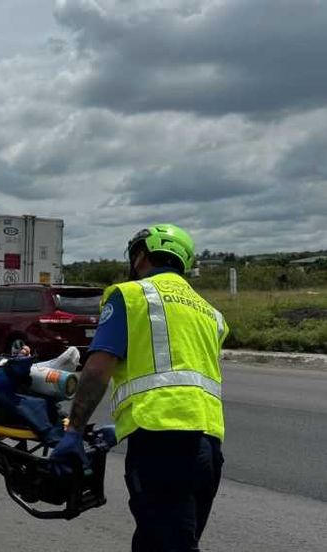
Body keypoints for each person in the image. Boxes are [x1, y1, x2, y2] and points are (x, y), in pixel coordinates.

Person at [49, 224, 227, 552]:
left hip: (162, 448)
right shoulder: (210, 314)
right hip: (208, 449)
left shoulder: (131, 295)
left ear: (141, 256)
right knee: (162, 541)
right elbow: (182, 383)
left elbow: (97, 369)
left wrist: (73, 430)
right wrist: (121, 427)